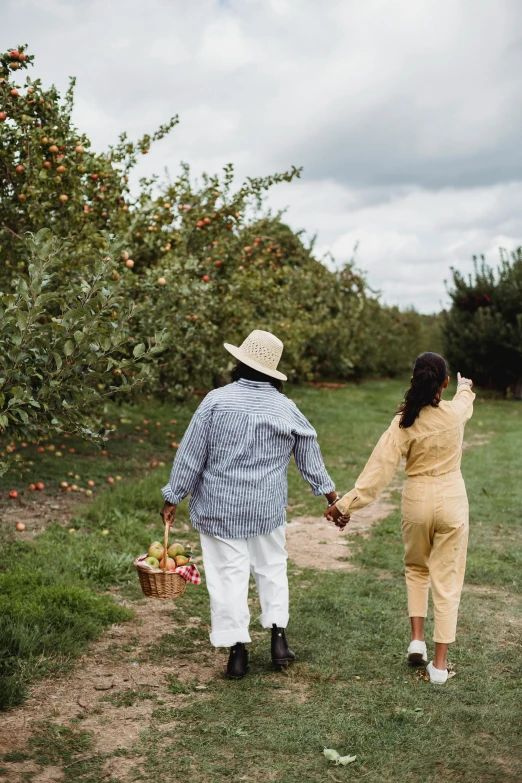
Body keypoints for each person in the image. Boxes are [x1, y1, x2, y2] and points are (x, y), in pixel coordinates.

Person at [160, 329, 342, 679]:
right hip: (266, 508)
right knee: (271, 567)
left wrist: (173, 496)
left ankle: (237, 653)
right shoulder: (284, 407)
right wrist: (330, 495)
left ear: (239, 362)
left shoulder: (215, 400)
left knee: (228, 575)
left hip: (219, 507)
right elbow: (309, 452)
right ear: (272, 370)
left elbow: (191, 455)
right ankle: (278, 640)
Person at [325, 352, 474, 684]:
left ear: (413, 380)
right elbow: (465, 402)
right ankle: (438, 667)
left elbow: (377, 473)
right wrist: (465, 387)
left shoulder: (402, 422)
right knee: (447, 582)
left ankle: (416, 639)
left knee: (416, 569)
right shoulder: (454, 413)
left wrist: (344, 504)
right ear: (444, 383)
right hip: (452, 501)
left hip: (417, 502)